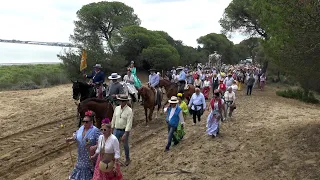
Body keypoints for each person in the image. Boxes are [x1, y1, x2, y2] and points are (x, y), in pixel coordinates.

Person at [67, 110, 101, 180]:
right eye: (83, 121)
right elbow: (76, 136)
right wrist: (69, 139)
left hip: (90, 155)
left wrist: (94, 147)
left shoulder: (95, 131)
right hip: (81, 154)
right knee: (79, 166)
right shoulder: (81, 128)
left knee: (86, 168)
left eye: (86, 122)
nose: (84, 123)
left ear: (91, 122)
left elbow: (101, 142)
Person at [111, 94, 133, 166]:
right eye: (121, 101)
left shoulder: (129, 111)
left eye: (123, 101)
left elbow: (129, 123)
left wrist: (125, 134)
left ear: (126, 102)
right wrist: (112, 128)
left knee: (125, 145)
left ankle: (127, 159)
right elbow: (113, 119)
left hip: (124, 130)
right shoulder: (117, 108)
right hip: (116, 129)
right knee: (114, 145)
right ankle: (114, 159)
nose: (122, 102)